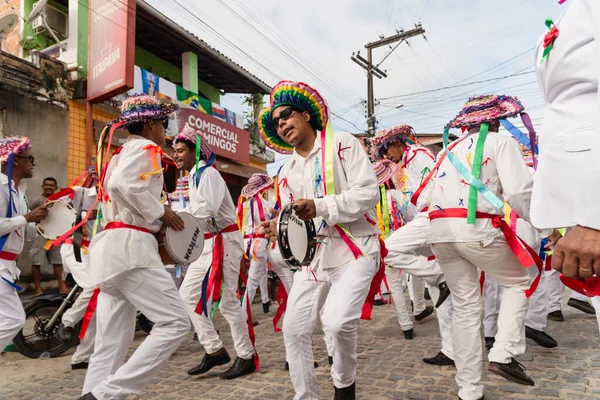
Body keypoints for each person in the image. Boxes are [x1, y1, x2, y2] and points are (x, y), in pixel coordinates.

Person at [425, 94, 561, 400]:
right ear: (496, 122)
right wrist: (549, 230)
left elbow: (424, 199)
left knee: (466, 309)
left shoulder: (447, 151)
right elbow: (520, 192)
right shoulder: (500, 143)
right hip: (477, 229)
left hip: (440, 232)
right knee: (518, 282)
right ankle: (503, 352)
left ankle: (469, 390)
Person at [258, 80, 381, 399]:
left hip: (357, 251)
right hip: (313, 261)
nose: (281, 123)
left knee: (338, 323)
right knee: (293, 329)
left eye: (285, 114)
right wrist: (277, 226)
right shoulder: (285, 172)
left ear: (307, 115)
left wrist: (321, 206)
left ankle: (344, 387)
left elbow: (369, 193)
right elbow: (290, 218)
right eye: (275, 121)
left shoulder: (342, 144)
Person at [80, 94, 190, 400]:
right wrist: (161, 212)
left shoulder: (119, 154)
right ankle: (105, 394)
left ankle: (93, 393)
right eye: (164, 123)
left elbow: (118, 188)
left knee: (111, 341)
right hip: (131, 250)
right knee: (176, 322)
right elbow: (122, 187)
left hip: (111, 250)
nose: (165, 131)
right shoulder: (146, 147)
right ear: (152, 123)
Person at [173, 125, 256, 380]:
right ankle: (214, 349)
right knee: (186, 295)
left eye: (180, 151)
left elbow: (205, 211)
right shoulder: (194, 176)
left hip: (225, 243)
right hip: (209, 244)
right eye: (174, 151)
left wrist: (173, 220)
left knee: (228, 302)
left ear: (194, 152)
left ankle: (246, 356)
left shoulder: (207, 173)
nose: (175, 155)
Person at [370, 124, 454, 366]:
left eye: (387, 151)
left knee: (388, 250)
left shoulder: (418, 155)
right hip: (424, 223)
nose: (387, 158)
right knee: (440, 295)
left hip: (433, 218)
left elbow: (436, 187)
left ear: (397, 143)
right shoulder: (404, 165)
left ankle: (438, 275)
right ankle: (450, 349)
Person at [0, 136, 48, 353]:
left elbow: (22, 232)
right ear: (15, 160)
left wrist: (44, 224)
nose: (33, 164)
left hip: (9, 266)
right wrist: (27, 218)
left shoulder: (20, 192)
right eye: (30, 159)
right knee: (14, 319)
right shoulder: (0, 187)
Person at [57, 168, 101, 370]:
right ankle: (67, 320)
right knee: (94, 288)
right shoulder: (79, 192)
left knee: (96, 305)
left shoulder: (112, 198)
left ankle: (82, 357)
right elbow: (57, 207)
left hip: (91, 252)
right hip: (73, 248)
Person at [239, 174, 275, 316]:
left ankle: (265, 302)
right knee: (253, 278)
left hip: (246, 243)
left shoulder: (243, 206)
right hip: (259, 244)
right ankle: (244, 315)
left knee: (262, 272)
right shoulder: (267, 206)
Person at [29, 177, 68, 295]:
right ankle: (37, 289)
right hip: (40, 235)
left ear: (56, 188)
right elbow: (29, 216)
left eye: (51, 185)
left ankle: (62, 287)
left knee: (58, 261)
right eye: (46, 185)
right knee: (37, 262)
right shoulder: (37, 201)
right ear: (42, 186)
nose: (48, 187)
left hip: (55, 236)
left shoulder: (60, 201)